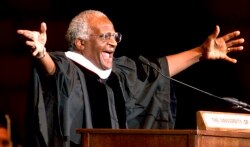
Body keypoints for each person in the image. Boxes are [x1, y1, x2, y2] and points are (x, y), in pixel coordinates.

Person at [17, 10, 244, 147]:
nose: (114, 42)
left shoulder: (120, 74)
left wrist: (200, 53)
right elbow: (50, 71)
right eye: (105, 36)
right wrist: (41, 53)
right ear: (80, 42)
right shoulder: (65, 66)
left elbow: (158, 70)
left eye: (115, 36)